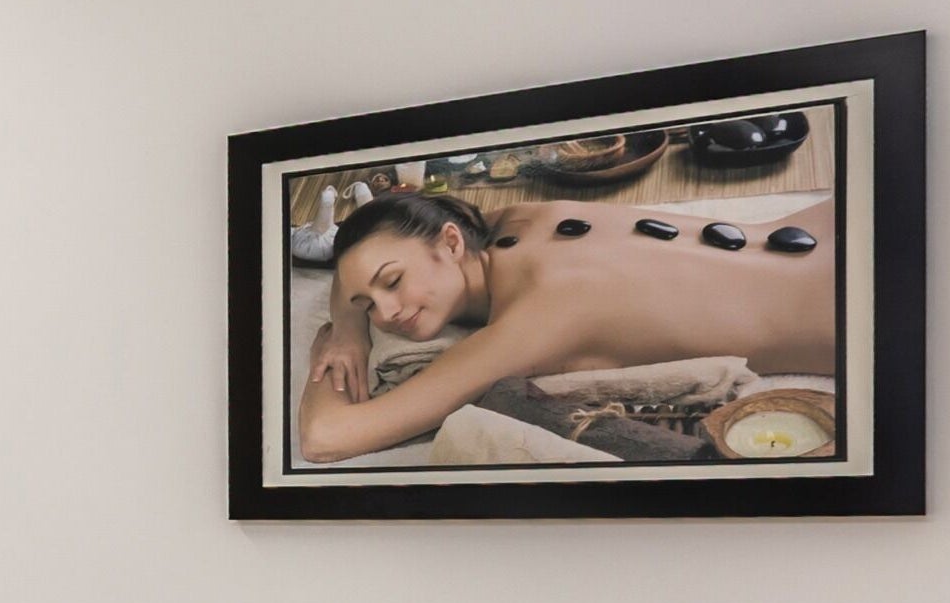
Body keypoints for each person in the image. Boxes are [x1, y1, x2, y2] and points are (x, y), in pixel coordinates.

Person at [297, 190, 836, 463]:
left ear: (451, 243)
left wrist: (332, 339)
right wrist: (349, 321)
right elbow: (411, 235)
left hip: (842, 302)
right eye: (368, 304)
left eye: (393, 282)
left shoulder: (533, 321)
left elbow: (326, 440)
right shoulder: (525, 219)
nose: (386, 315)